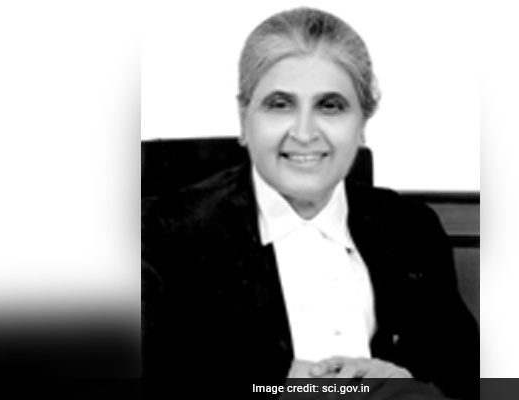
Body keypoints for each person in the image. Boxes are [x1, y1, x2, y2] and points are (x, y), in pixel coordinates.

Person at [142, 7, 478, 399]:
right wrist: (274, 388)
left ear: (362, 123)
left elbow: (466, 379)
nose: (304, 133)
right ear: (244, 118)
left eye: (330, 106)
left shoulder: (411, 228)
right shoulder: (163, 237)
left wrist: (412, 387)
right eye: (280, 104)